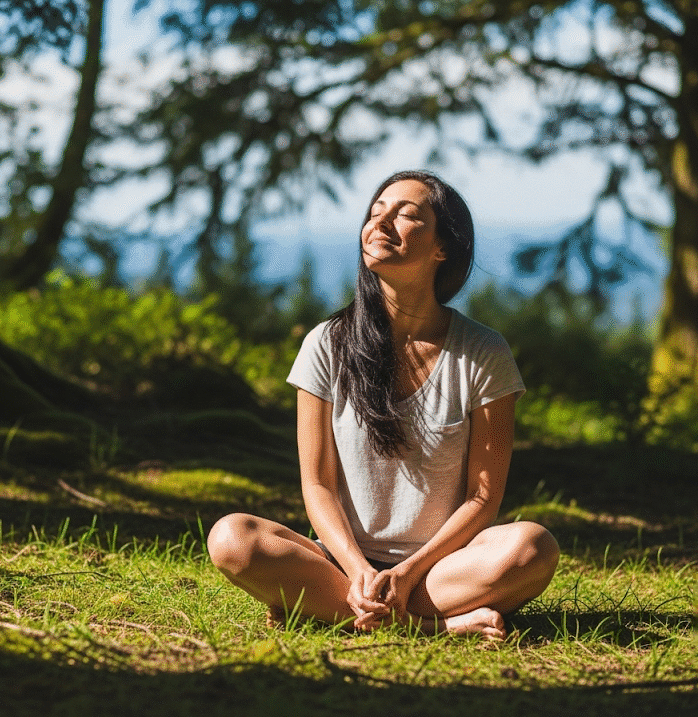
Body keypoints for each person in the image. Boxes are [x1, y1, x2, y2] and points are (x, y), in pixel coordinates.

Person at [207, 170, 559, 637]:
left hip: (441, 568)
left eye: (406, 215)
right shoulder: (326, 344)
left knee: (533, 547)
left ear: (443, 248)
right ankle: (436, 625)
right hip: (339, 561)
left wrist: (409, 571)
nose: (381, 224)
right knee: (232, 539)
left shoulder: (482, 352)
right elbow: (318, 485)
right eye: (375, 214)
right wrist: (356, 569)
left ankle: (328, 609)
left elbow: (483, 498)